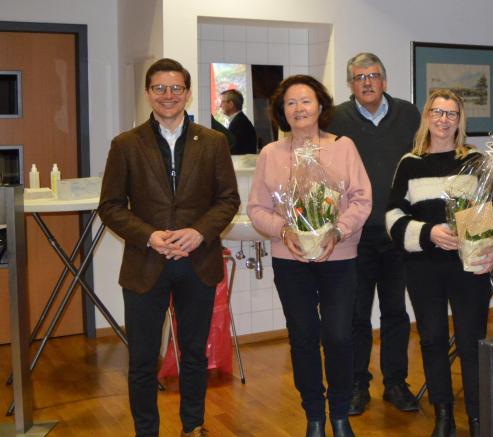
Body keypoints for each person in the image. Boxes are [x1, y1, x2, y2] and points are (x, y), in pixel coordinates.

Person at [99, 58, 240, 437]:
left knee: (194, 355)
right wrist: (149, 235)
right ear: (148, 93)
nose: (168, 95)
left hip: (199, 262)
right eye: (159, 88)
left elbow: (228, 200)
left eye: (176, 88)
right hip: (146, 264)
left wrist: (198, 233)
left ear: (187, 92)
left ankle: (193, 425)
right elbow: (110, 205)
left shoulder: (213, 142)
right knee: (143, 359)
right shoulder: (126, 145)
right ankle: (147, 431)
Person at [247, 75, 372, 437]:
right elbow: (257, 208)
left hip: (340, 257)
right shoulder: (271, 154)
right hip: (290, 261)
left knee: (338, 335)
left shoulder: (343, 147)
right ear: (281, 112)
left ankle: (340, 414)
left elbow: (362, 199)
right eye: (290, 103)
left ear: (320, 106)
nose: (299, 108)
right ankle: (314, 416)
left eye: (306, 101)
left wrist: (338, 230)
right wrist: (284, 231)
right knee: (302, 336)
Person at [386, 89, 493, 437]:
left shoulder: (476, 161)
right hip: (424, 269)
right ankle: (443, 417)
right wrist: (427, 233)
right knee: (432, 340)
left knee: (471, 344)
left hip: (469, 267)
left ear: (459, 120)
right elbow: (392, 215)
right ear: (427, 117)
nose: (443, 119)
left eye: (451, 113)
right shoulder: (409, 163)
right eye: (437, 112)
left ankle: (478, 420)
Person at [327, 52, 421, 415]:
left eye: (374, 75)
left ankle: (396, 383)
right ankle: (356, 385)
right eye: (359, 76)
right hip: (355, 235)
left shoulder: (409, 114)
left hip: (399, 232)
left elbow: (422, 159)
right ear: (350, 84)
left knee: (396, 312)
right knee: (355, 315)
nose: (367, 82)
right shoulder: (335, 119)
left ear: (385, 80)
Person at [220, 89, 258, 154]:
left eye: (222, 102)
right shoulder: (240, 120)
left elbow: (233, 149)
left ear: (231, 104)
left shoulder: (239, 123)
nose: (220, 105)